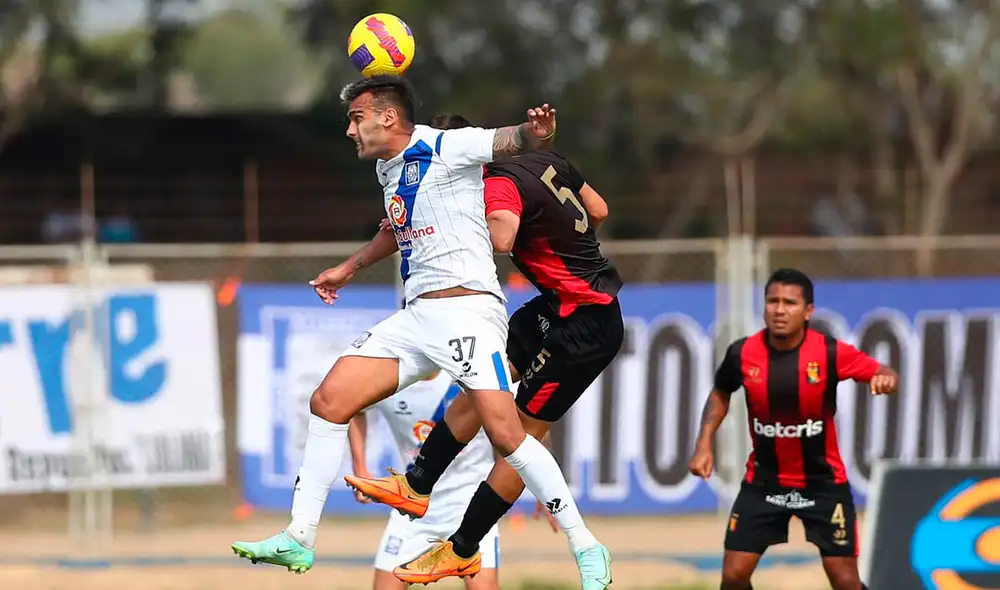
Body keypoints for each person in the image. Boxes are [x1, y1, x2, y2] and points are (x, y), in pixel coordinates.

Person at [230, 76, 606, 587]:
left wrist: (535, 132)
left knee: (507, 436)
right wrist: (347, 269)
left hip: (468, 314)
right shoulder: (388, 169)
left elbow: (509, 140)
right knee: (329, 400)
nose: (350, 130)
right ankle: (300, 536)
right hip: (416, 318)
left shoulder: (446, 146)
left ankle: (585, 544)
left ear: (387, 117)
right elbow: (396, 228)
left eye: (356, 118)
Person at [347, 113, 622, 589]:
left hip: (586, 328)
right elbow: (598, 209)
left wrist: (445, 215)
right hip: (555, 307)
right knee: (480, 385)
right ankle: (417, 484)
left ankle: (462, 547)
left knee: (520, 437)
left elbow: (502, 236)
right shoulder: (548, 158)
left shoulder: (495, 184)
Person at [687, 268, 898, 590]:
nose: (780, 310)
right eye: (773, 301)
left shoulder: (829, 352)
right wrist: (704, 444)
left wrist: (886, 379)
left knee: (845, 580)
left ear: (808, 311)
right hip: (764, 482)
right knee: (733, 575)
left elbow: (883, 371)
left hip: (823, 483)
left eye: (790, 303)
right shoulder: (742, 353)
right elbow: (721, 392)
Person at [348, 369, 500, 590]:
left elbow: (523, 420)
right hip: (412, 506)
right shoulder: (389, 382)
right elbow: (354, 408)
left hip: (470, 505)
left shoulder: (471, 375)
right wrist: (360, 466)